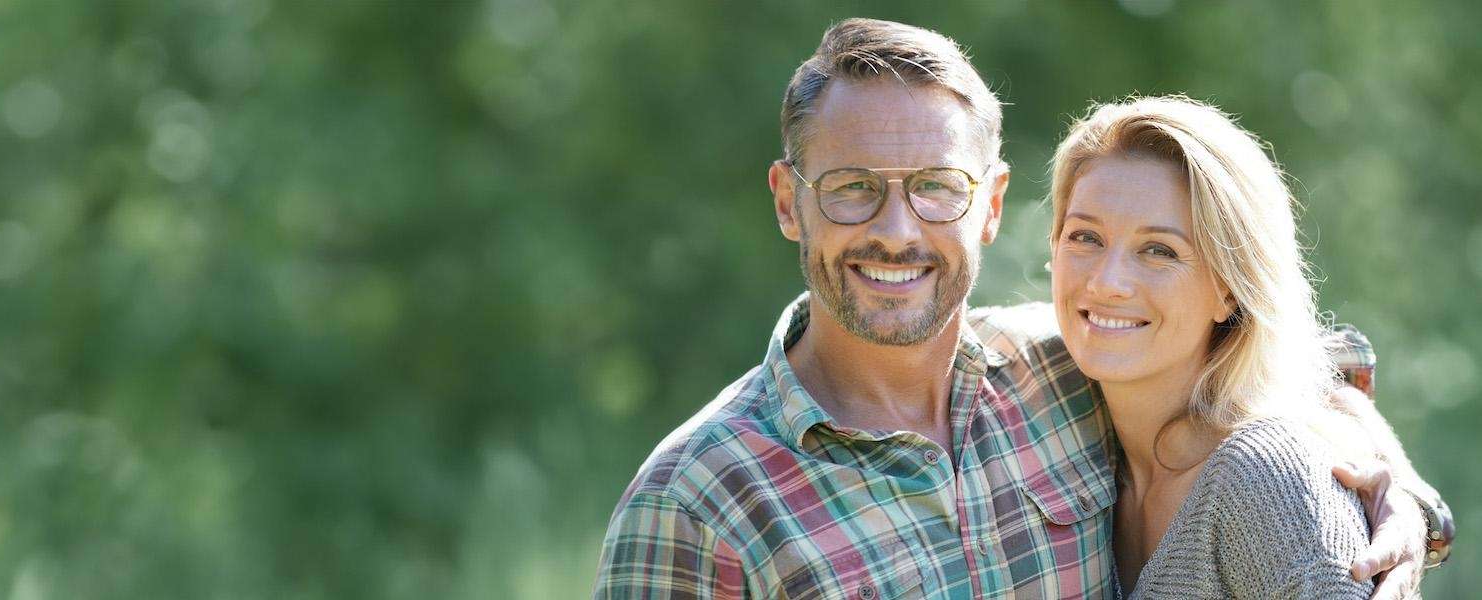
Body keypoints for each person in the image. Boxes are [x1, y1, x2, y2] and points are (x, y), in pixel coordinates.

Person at [593, 18, 1451, 599]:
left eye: (937, 187)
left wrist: (1399, 496)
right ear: (790, 202)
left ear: (993, 205)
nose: (896, 231)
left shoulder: (1066, 363)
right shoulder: (695, 503)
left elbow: (1284, 369)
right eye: (852, 188)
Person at [1046, 96, 1407, 598]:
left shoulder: (1267, 480)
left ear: (1230, 289)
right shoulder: (1067, 422)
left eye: (1159, 250)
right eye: (1085, 237)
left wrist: (1417, 507)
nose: (1107, 283)